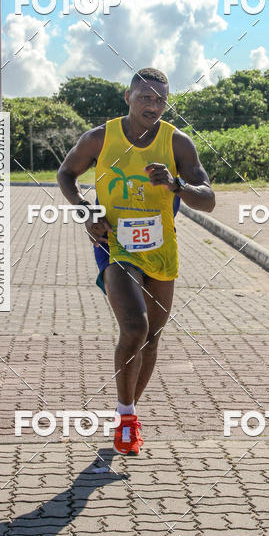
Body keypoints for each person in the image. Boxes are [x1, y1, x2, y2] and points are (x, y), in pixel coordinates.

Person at [58, 67, 215, 455]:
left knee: (153, 337)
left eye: (161, 99)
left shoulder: (177, 143)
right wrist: (83, 209)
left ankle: (130, 412)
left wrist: (177, 185)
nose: (153, 105)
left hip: (161, 249)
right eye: (145, 97)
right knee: (135, 328)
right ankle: (126, 417)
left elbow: (208, 199)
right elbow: (67, 173)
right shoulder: (100, 138)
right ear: (128, 97)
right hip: (115, 245)